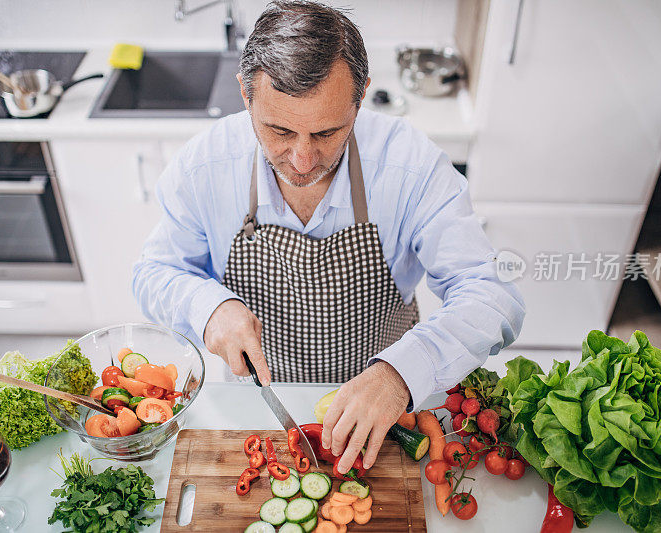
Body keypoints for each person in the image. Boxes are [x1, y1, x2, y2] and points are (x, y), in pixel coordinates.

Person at [132, 0, 525, 474]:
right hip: (257, 409)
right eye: (278, 130)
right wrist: (207, 305)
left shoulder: (412, 166)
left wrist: (404, 372)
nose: (301, 159)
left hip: (388, 413)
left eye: (327, 132)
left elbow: (492, 293)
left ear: (360, 97)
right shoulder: (204, 166)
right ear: (245, 94)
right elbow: (155, 270)